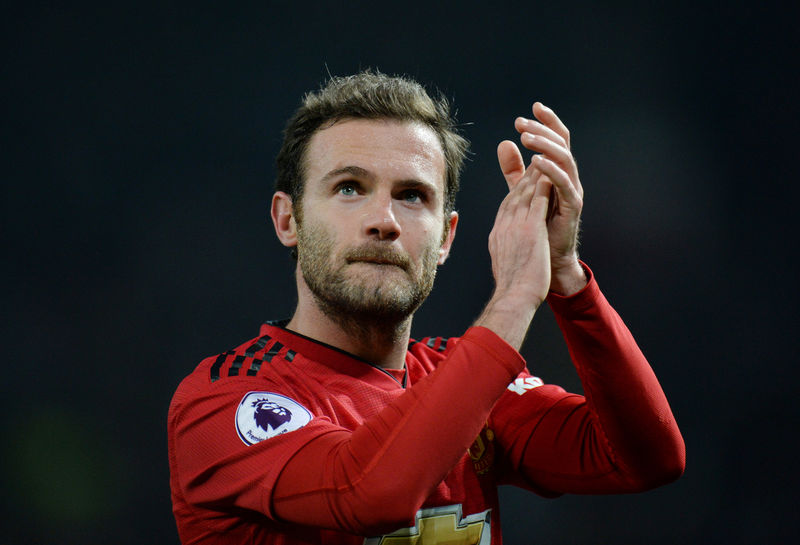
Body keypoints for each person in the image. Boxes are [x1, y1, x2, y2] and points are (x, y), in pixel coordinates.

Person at [167, 70, 685, 545]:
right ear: (288, 221)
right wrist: (513, 298)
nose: (384, 220)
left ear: (446, 238)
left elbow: (647, 460)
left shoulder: (465, 379)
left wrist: (567, 277)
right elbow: (368, 495)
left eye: (413, 195)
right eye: (349, 188)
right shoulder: (225, 401)